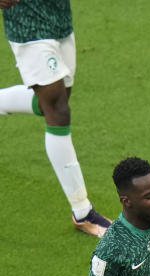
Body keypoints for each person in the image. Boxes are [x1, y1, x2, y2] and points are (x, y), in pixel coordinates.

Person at [0, 0, 110, 237]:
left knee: (50, 102)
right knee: (57, 110)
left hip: (59, 16)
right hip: (28, 25)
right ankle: (83, 212)